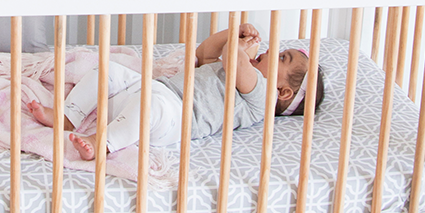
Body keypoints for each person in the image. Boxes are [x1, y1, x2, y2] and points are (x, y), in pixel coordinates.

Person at [26, 24, 324, 161]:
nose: (274, 51)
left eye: (282, 58)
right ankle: (67, 116)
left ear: (283, 92)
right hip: (156, 91)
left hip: (174, 118)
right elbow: (205, 51)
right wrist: (234, 33)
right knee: (108, 71)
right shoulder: (229, 70)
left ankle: (101, 142)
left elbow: (234, 61)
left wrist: (240, 49)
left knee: (148, 106)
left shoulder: (260, 96)